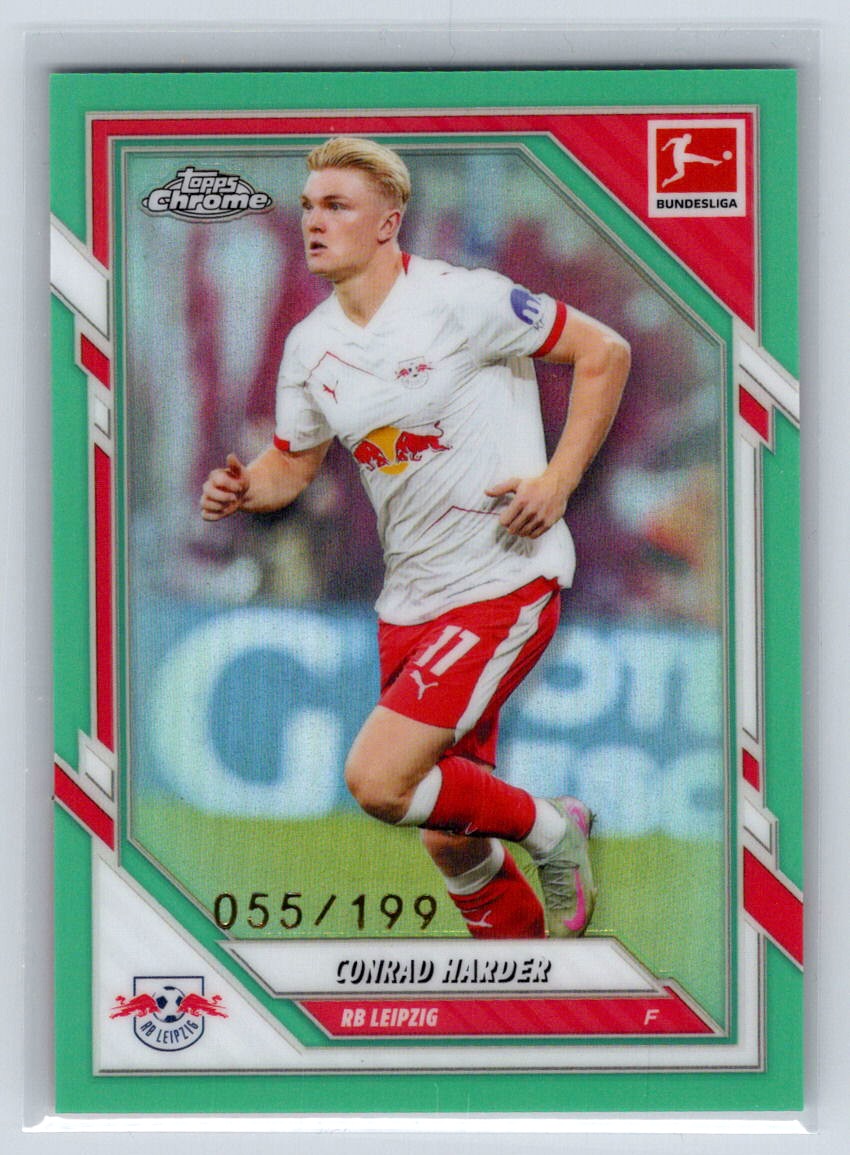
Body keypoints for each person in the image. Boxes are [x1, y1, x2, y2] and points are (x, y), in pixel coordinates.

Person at [200, 137, 630, 940]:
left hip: (503, 579)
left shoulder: (463, 301)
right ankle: (523, 980)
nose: (314, 222)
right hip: (409, 603)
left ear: (388, 223)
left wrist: (558, 480)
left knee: (378, 779)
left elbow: (604, 351)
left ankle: (552, 828)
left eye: (337, 206)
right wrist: (246, 488)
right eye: (308, 206)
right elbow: (292, 465)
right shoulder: (310, 345)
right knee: (449, 833)